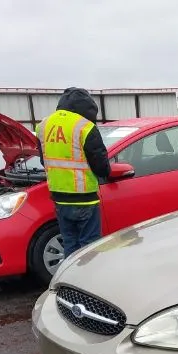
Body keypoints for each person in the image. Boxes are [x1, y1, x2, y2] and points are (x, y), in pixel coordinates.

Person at [36, 87, 110, 258]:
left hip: (59, 197)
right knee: (90, 247)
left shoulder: (43, 125)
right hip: (84, 198)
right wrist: (107, 172)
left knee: (70, 244)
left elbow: (43, 159)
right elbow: (101, 165)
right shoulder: (85, 126)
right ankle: (88, 280)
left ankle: (71, 280)